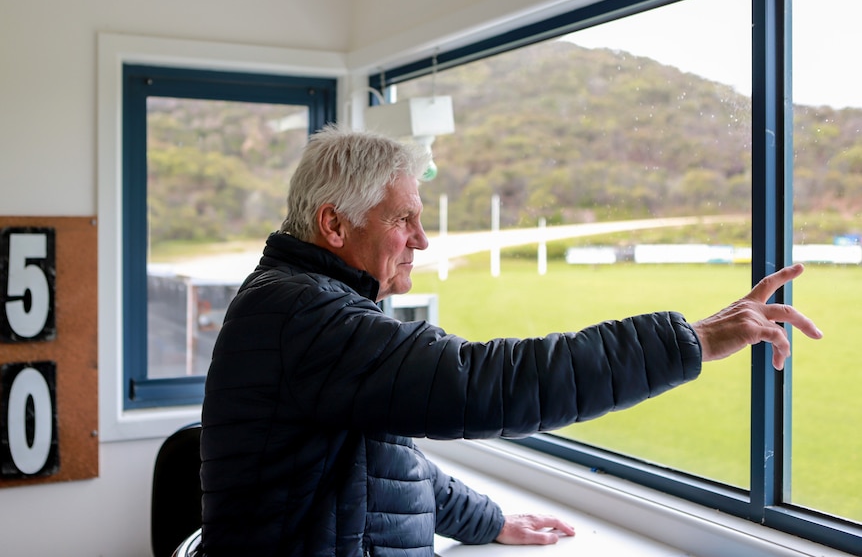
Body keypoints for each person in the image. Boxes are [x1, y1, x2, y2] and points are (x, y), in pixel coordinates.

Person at [199, 125, 822, 557]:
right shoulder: (301, 314)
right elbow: (480, 383)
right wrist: (693, 340)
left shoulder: (304, 305)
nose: (421, 240)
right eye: (402, 219)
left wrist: (490, 521)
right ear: (333, 224)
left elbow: (381, 462)